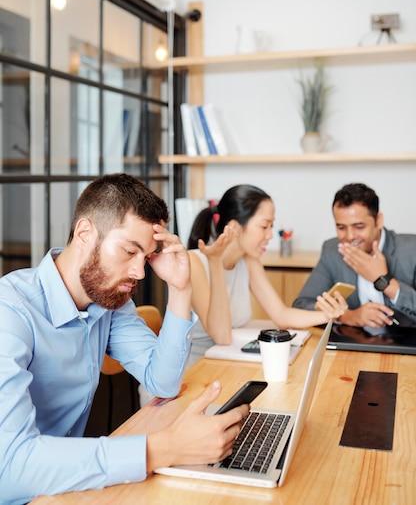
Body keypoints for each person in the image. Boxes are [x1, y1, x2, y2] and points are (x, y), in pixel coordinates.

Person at [0, 174, 248, 505]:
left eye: (145, 257)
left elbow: (162, 382)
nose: (140, 272)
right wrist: (165, 447)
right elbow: (10, 468)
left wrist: (180, 288)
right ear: (85, 233)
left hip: (58, 487)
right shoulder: (10, 313)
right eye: (129, 251)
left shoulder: (109, 303)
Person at [187, 184, 347, 363]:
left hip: (231, 361)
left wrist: (328, 315)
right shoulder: (195, 263)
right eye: (264, 227)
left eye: (271, 226)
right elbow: (222, 336)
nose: (270, 235)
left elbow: (281, 315)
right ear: (235, 227)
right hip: (198, 368)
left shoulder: (248, 260)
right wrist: (215, 263)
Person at [292, 182, 416, 327]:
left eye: (359, 227)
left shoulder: (412, 249)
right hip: (355, 343)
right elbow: (302, 305)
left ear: (378, 220)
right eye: (341, 227)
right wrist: (348, 316)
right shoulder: (332, 250)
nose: (350, 236)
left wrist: (384, 281)